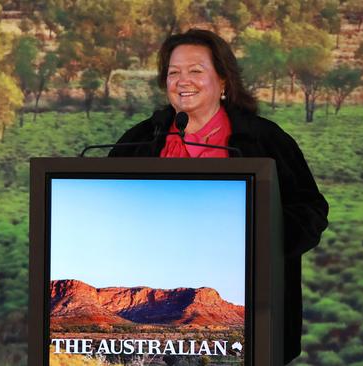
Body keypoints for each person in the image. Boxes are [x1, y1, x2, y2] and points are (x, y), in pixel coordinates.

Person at [109, 28, 329, 364]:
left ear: (223, 81)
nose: (183, 81)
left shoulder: (264, 140)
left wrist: (261, 240)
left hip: (251, 308)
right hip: (159, 309)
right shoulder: (139, 139)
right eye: (173, 73)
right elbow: (113, 204)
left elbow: (310, 211)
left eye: (196, 71)